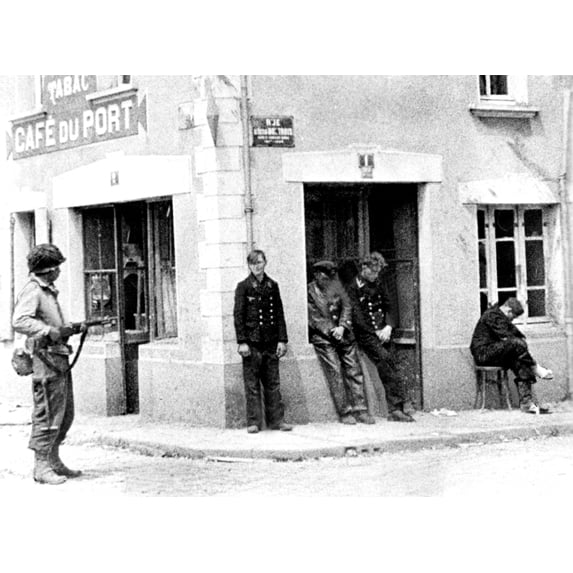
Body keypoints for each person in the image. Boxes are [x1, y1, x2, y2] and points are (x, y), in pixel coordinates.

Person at [12, 244, 85, 485]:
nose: (59, 272)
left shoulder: (48, 291)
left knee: (64, 414)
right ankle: (41, 466)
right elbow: (20, 320)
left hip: (57, 358)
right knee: (48, 413)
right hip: (45, 360)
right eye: (57, 267)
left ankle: (53, 460)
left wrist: (70, 328)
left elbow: (51, 325)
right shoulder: (33, 291)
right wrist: (47, 331)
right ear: (49, 270)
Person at [346, 256, 415, 422]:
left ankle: (400, 406)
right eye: (373, 272)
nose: (375, 276)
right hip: (366, 334)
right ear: (364, 268)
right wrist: (375, 332)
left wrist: (388, 326)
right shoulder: (353, 287)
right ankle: (396, 407)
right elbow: (357, 316)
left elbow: (390, 306)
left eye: (378, 272)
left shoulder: (379, 283)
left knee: (393, 363)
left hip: (383, 331)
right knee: (385, 360)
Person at [307, 260, 375, 424]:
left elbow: (347, 306)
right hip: (324, 337)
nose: (329, 281)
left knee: (354, 369)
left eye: (331, 278)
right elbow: (314, 317)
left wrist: (343, 326)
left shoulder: (338, 286)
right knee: (335, 371)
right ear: (317, 275)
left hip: (343, 334)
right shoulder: (309, 291)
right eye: (325, 278)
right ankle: (345, 412)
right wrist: (332, 330)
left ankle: (361, 409)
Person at [233, 249, 293, 434]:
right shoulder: (243, 287)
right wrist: (242, 341)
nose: (256, 267)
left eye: (259, 262)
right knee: (252, 385)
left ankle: (277, 421)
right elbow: (238, 316)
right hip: (252, 343)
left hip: (270, 341)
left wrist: (282, 340)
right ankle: (254, 422)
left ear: (265, 263)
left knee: (273, 383)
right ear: (249, 265)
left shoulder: (272, 285)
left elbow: (280, 314)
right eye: (253, 263)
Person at [470, 297, 554, 414]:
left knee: (520, 360)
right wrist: (520, 344)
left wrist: (521, 344)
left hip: (495, 353)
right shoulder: (492, 315)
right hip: (483, 354)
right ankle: (536, 368)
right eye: (513, 317)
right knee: (516, 344)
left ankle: (527, 403)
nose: (512, 320)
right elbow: (508, 336)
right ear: (508, 310)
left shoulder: (500, 316)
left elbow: (518, 337)